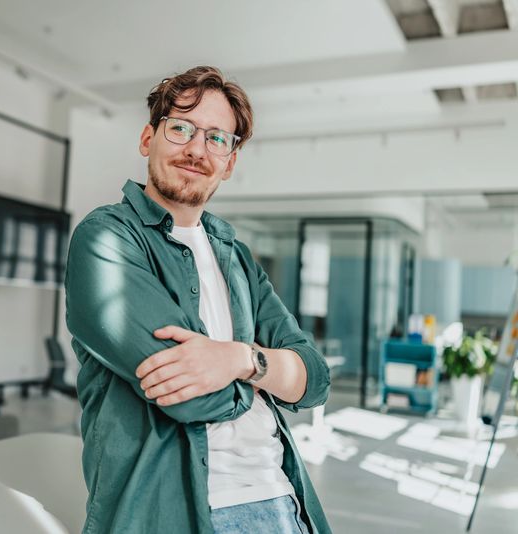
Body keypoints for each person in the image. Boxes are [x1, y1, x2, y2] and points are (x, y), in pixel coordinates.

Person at [65, 65, 331, 534]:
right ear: (148, 138)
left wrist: (238, 358)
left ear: (229, 162)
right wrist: (271, 372)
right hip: (175, 513)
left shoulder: (237, 259)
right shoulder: (105, 239)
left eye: (216, 138)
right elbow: (191, 400)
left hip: (285, 501)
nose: (196, 150)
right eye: (181, 128)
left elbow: (315, 379)